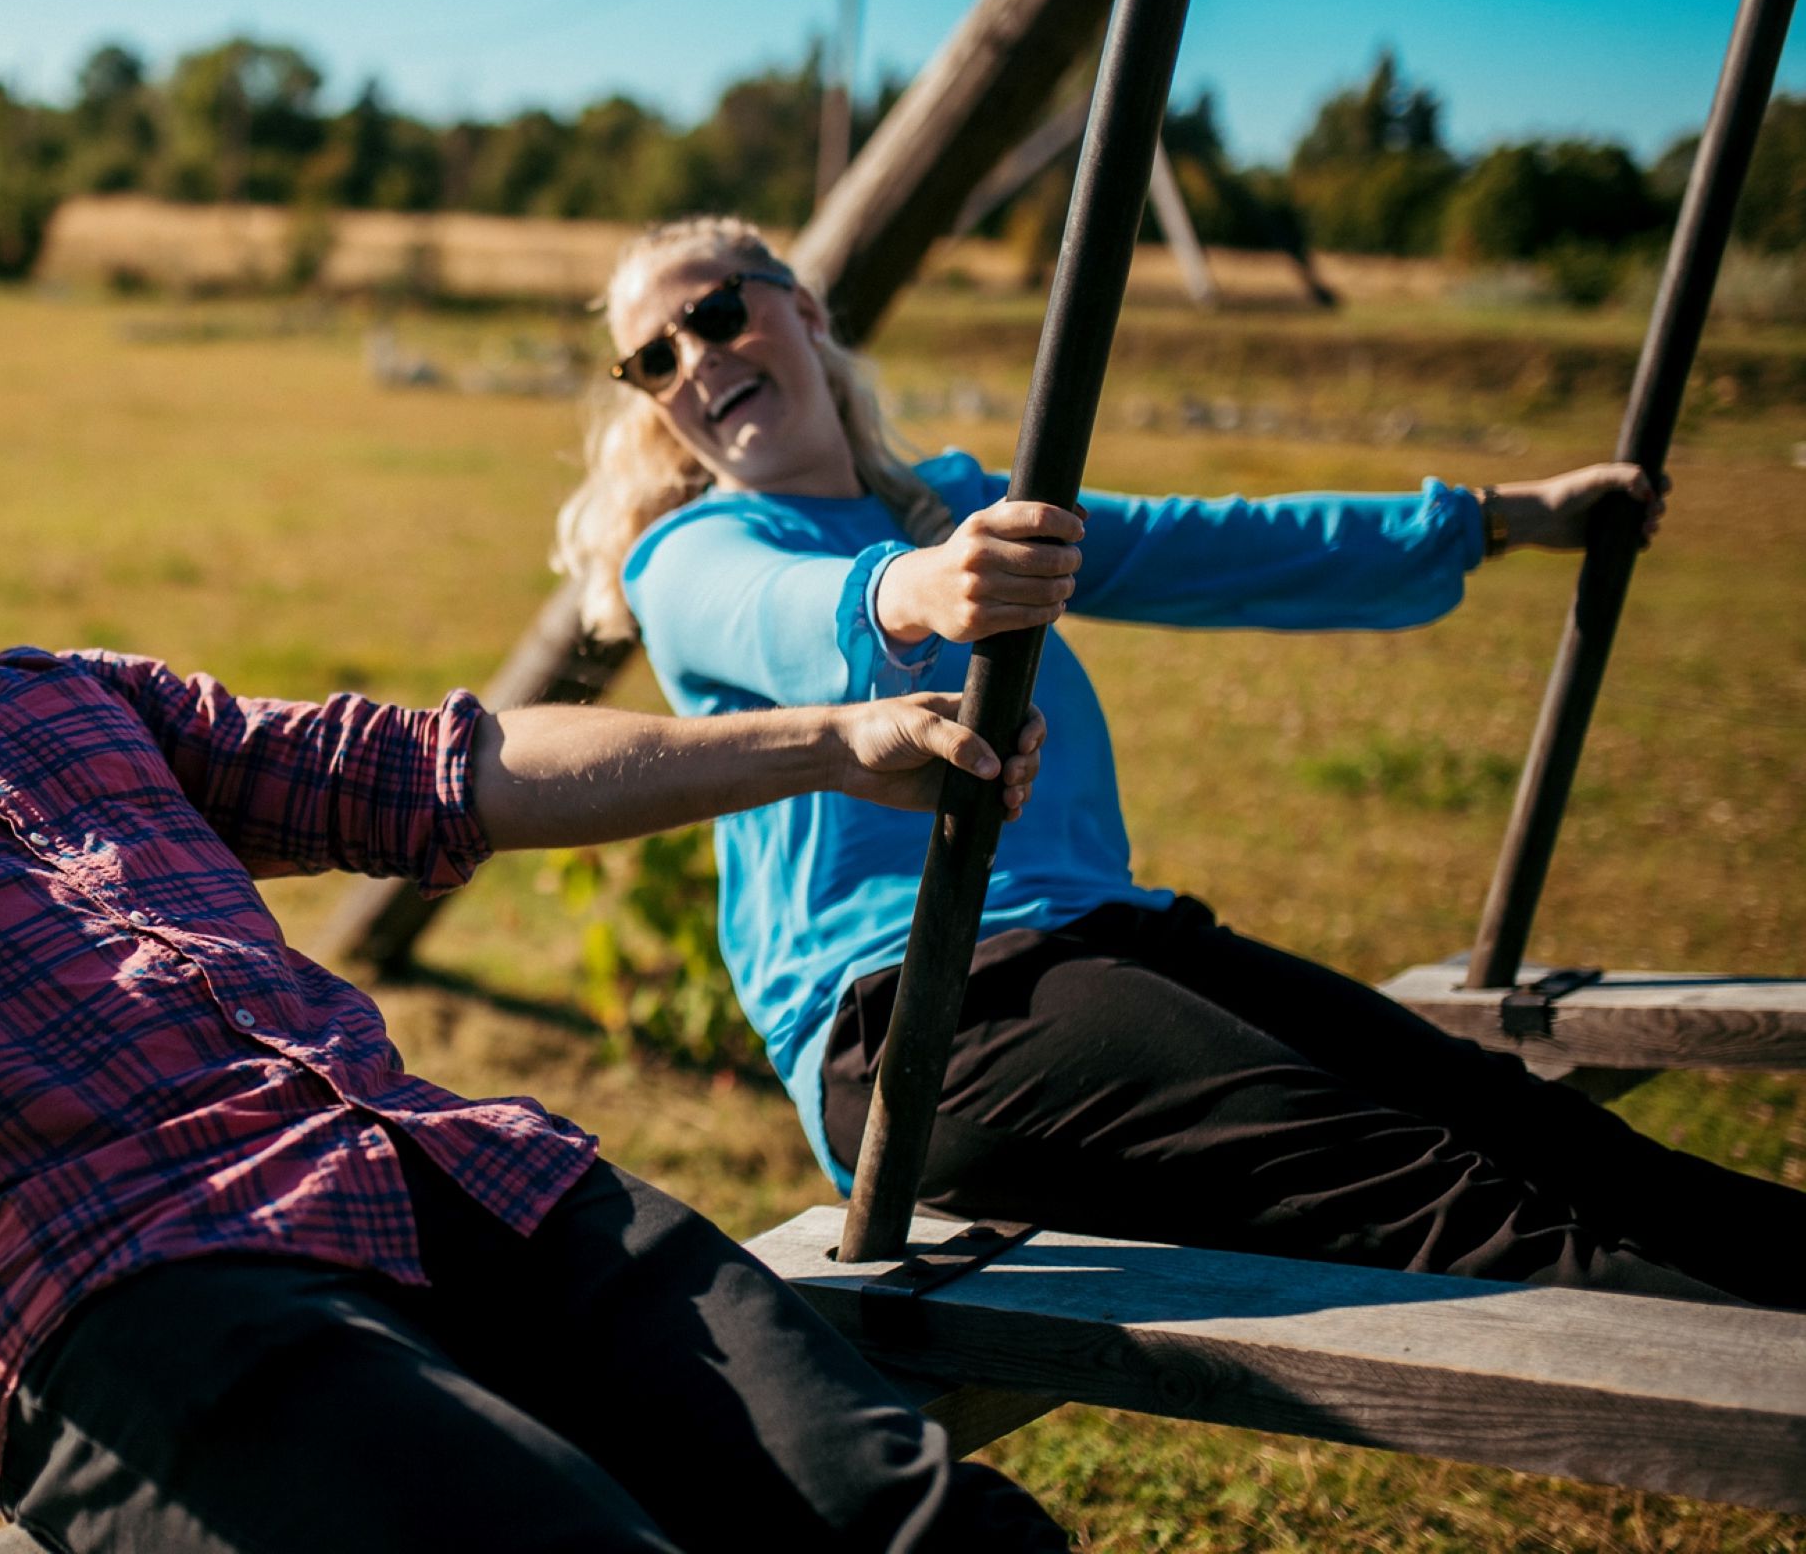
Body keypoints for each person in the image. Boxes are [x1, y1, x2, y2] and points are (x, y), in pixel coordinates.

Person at [0, 346, 1072, 1553]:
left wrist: (831, 741)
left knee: (920, 1524)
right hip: (137, 1297)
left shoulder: (53, 691)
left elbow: (436, 770)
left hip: (466, 1186)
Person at [554, 214, 1806, 1311]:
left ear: (805, 312)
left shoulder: (956, 502)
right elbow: (776, 606)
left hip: (1117, 940)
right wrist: (922, 591)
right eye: (654, 356)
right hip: (920, 1016)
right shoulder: (694, 555)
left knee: (1543, 1132)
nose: (697, 356)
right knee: (1443, 1196)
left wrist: (1491, 517)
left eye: (718, 312)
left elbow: (1215, 545)